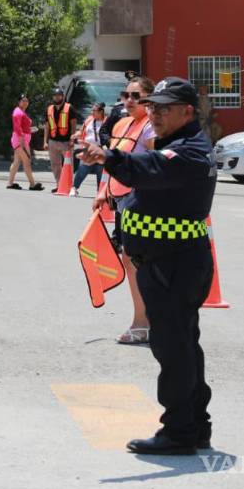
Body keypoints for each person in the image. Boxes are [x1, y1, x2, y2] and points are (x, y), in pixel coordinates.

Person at [80, 77, 217, 455]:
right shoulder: (178, 143)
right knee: (184, 346)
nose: (154, 113)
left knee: (173, 348)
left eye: (164, 108)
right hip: (167, 263)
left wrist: (108, 157)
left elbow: (146, 168)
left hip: (173, 265)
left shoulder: (187, 151)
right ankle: (194, 424)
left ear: (187, 112)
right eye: (152, 106)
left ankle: (178, 431)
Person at [92, 77, 155, 345]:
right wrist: (102, 191)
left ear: (149, 99)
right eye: (126, 95)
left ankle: (143, 322)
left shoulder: (151, 127)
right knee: (131, 260)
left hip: (141, 202)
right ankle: (145, 320)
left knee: (138, 261)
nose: (129, 100)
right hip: (121, 201)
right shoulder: (121, 123)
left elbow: (156, 166)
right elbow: (112, 163)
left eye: (136, 96)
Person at [7, 95, 44, 191]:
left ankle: (10, 183)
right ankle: (32, 184)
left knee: (16, 162)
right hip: (21, 141)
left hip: (20, 140)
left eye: (27, 100)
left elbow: (22, 127)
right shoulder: (18, 112)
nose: (25, 102)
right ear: (19, 102)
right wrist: (22, 142)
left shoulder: (21, 112)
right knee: (27, 161)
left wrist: (30, 130)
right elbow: (17, 128)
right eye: (23, 101)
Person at [70, 102, 106, 196]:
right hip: (88, 149)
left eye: (94, 111)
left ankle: (100, 192)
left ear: (101, 112)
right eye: (92, 110)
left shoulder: (107, 122)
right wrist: (75, 135)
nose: (92, 112)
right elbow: (82, 131)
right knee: (83, 168)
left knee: (100, 171)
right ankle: (74, 188)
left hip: (100, 150)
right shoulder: (89, 120)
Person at [45, 87, 77, 192]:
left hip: (66, 142)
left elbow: (73, 125)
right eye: (55, 95)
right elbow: (47, 126)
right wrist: (45, 141)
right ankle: (59, 185)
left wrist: (72, 139)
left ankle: (69, 186)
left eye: (59, 95)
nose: (57, 97)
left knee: (68, 165)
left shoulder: (69, 108)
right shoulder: (49, 109)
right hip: (53, 141)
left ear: (62, 96)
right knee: (55, 165)